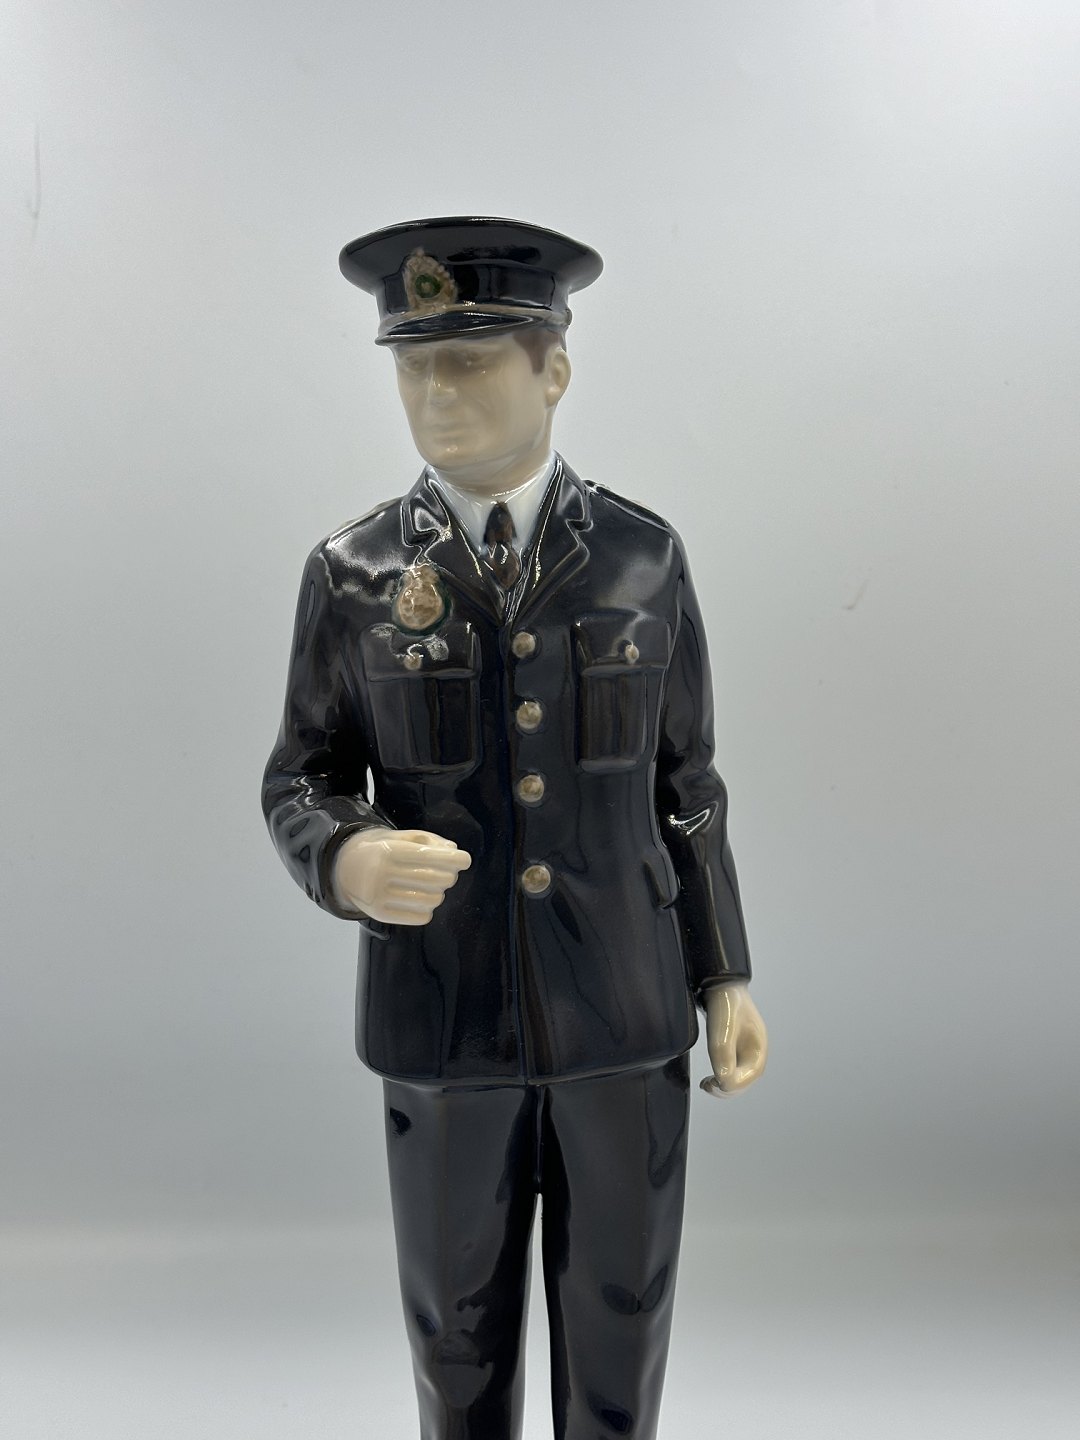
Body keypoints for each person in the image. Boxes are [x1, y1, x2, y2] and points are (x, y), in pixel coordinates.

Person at [262, 217, 768, 1440]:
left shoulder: (642, 559)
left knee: (621, 1313)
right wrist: (347, 855)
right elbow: (301, 775)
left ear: (553, 371)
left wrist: (724, 975)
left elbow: (688, 783)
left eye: (473, 361)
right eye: (415, 366)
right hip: (443, 1016)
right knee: (456, 1330)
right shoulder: (354, 574)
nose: (438, 393)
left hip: (623, 1012)